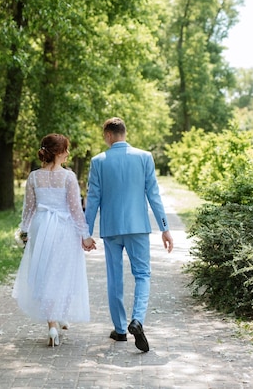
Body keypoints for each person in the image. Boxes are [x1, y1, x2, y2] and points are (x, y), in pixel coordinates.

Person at [85, 117, 174, 353]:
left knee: (115, 278)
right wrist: (165, 228)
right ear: (124, 133)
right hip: (138, 228)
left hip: (111, 229)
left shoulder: (98, 161)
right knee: (143, 274)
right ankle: (137, 320)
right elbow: (153, 194)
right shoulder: (144, 157)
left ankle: (120, 329)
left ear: (108, 135)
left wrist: (86, 232)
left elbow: (93, 199)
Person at [13, 133, 96, 347]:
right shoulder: (68, 177)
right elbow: (76, 210)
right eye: (66, 150)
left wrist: (24, 230)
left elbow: (29, 208)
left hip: (41, 226)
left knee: (45, 271)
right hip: (63, 227)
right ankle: (59, 314)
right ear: (58, 153)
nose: (68, 153)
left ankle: (52, 324)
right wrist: (85, 236)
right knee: (64, 271)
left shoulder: (33, 177)